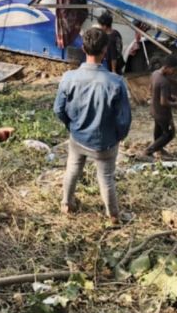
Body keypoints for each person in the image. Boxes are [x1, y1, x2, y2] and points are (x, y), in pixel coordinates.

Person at [54, 28, 133, 224]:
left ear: (83, 47)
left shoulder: (69, 77)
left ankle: (66, 204)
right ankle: (113, 216)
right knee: (106, 179)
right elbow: (124, 119)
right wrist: (119, 137)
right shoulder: (116, 82)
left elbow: (58, 109)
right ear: (105, 50)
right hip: (104, 142)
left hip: (78, 138)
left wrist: (71, 126)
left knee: (72, 170)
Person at [139, 55, 177, 161]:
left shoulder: (155, 74)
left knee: (158, 130)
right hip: (162, 112)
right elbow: (163, 102)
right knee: (169, 134)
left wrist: (171, 97)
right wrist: (176, 105)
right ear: (167, 67)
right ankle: (147, 152)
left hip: (154, 109)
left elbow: (153, 90)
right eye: (173, 69)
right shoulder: (164, 81)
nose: (174, 71)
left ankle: (159, 149)